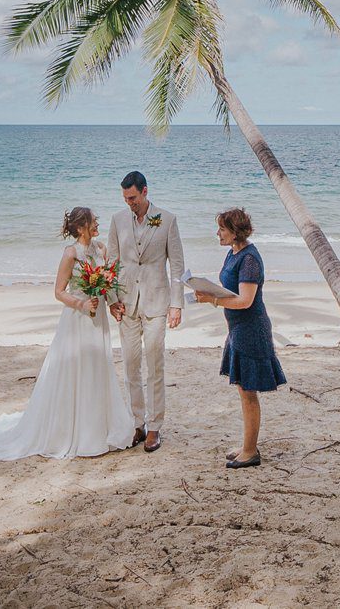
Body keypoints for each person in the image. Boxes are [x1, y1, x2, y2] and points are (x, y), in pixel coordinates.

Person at [0, 207, 137, 461]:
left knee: (97, 368)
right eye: (93, 221)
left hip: (98, 317)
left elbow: (108, 283)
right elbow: (59, 291)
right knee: (75, 369)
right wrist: (81, 304)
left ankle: (99, 428)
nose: (97, 224)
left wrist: (112, 302)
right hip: (77, 318)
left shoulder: (100, 249)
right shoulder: (71, 254)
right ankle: (75, 431)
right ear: (81, 227)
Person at [189, 206, 283, 467]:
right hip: (237, 329)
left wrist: (213, 300)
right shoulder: (233, 253)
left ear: (234, 232)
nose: (217, 233)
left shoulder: (250, 259)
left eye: (221, 228)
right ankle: (247, 444)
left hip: (251, 329)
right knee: (243, 389)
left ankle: (251, 452)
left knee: (248, 392)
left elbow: (245, 301)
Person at [103, 169, 185, 452]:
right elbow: (111, 263)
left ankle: (154, 427)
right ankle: (137, 423)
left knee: (155, 365)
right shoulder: (117, 220)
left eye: (134, 197)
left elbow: (177, 267)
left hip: (156, 302)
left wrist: (177, 304)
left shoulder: (167, 220)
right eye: (126, 198)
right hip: (126, 303)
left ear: (145, 191)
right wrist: (112, 299)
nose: (130, 203)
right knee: (130, 366)